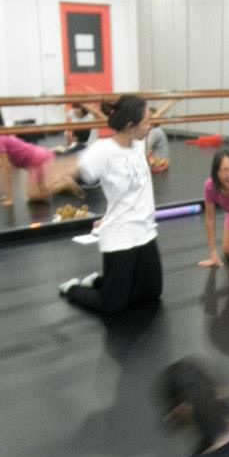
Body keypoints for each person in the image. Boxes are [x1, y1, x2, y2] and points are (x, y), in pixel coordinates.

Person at [57, 95, 164, 314]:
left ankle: (98, 280)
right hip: (120, 236)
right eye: (146, 121)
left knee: (152, 293)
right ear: (130, 126)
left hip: (145, 233)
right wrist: (43, 169)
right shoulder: (103, 151)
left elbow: (118, 116)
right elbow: (71, 167)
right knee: (113, 306)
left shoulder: (137, 141)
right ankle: (73, 288)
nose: (150, 125)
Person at [0, 134, 87, 205]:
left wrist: (10, 197)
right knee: (37, 194)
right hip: (40, 156)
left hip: (38, 160)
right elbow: (10, 165)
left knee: (34, 195)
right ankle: (60, 180)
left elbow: (6, 169)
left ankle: (65, 183)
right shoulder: (3, 137)